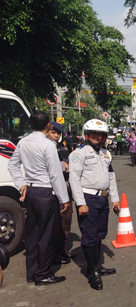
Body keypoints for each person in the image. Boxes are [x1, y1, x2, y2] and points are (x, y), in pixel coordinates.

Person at [8, 111, 70, 285]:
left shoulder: (23, 142)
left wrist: (22, 183)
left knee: (33, 234)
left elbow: (12, 165)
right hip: (45, 193)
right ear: (48, 125)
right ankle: (43, 273)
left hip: (32, 192)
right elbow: (55, 174)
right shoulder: (48, 144)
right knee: (46, 235)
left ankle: (32, 272)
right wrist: (63, 198)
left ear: (30, 125)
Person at [69, 119, 120, 290]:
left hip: (103, 199)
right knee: (89, 235)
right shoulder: (79, 153)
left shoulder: (106, 154)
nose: (97, 137)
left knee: (100, 233)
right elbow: (74, 179)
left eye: (101, 135)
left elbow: (111, 177)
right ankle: (92, 272)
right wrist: (80, 203)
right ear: (86, 135)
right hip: (88, 199)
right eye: (93, 134)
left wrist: (115, 198)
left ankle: (97, 265)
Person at [47, 122, 75, 264]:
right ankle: (54, 253)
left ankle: (63, 250)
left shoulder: (62, 147)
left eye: (58, 133)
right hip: (51, 192)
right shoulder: (45, 148)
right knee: (53, 224)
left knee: (66, 221)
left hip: (66, 188)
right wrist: (64, 166)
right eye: (53, 132)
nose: (56, 135)